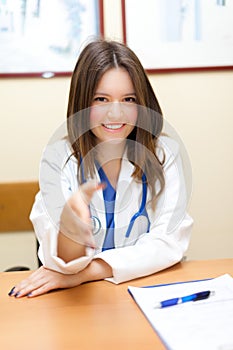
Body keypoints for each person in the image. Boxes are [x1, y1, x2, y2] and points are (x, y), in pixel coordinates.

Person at [8, 38, 193, 298]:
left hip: (145, 294)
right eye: (101, 99)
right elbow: (62, 261)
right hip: (81, 304)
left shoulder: (164, 154)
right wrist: (71, 229)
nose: (116, 114)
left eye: (128, 99)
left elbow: (169, 243)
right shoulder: (60, 159)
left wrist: (86, 273)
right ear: (83, 104)